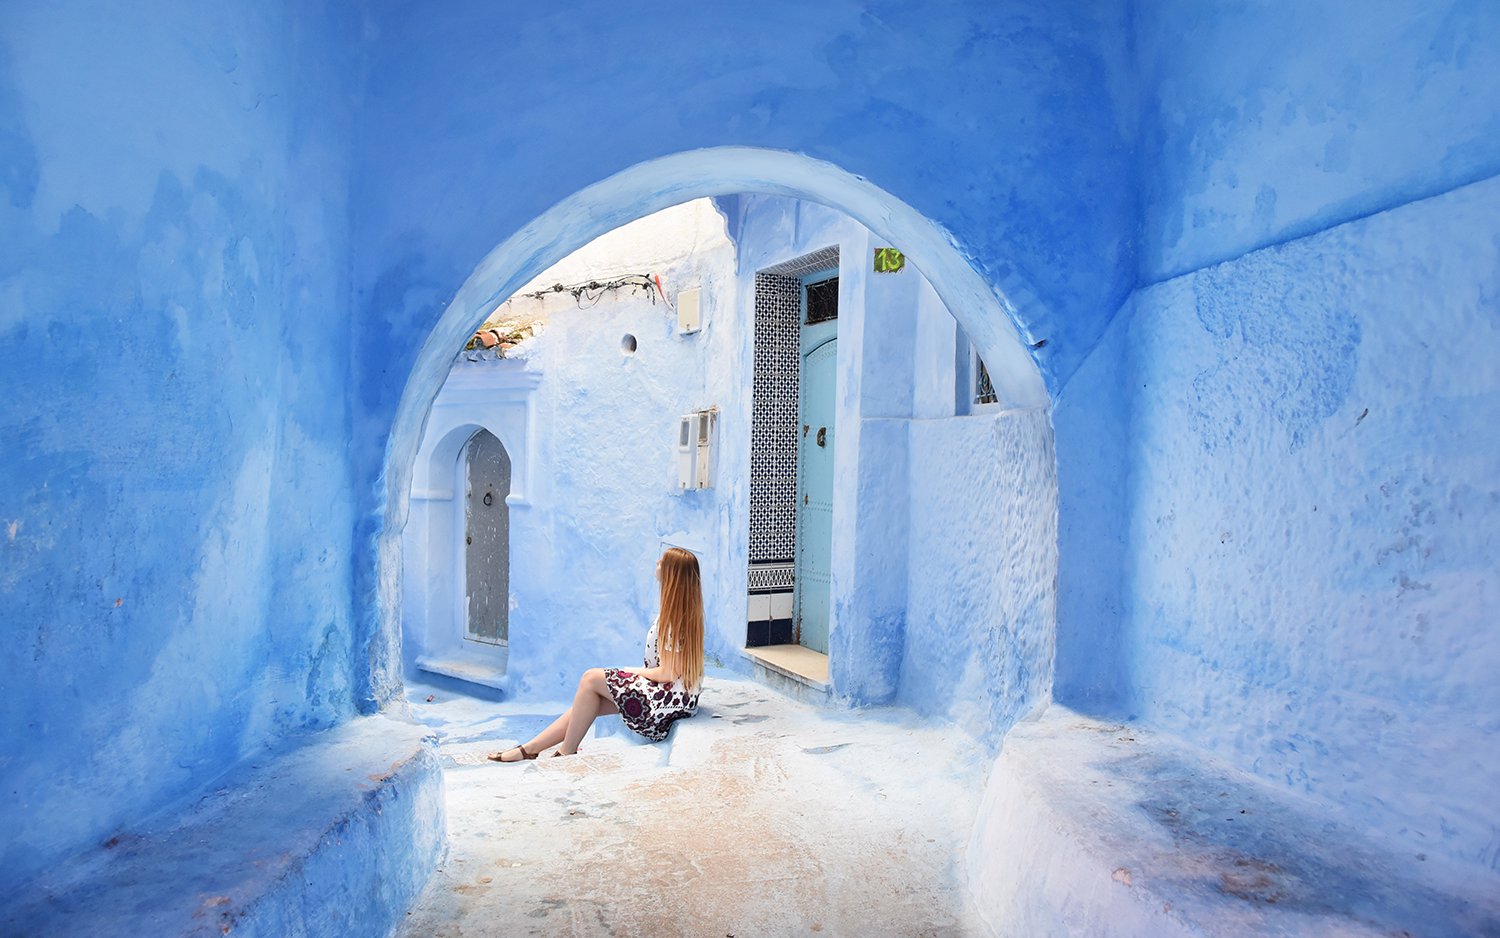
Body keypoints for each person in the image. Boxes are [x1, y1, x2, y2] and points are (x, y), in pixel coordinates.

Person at [488, 546, 705, 761]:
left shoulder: (676, 620)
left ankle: (564, 752)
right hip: (672, 698)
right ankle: (530, 749)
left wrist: (629, 672)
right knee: (590, 701)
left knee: (591, 678)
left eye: (662, 562)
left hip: (667, 704)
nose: (657, 563)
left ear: (671, 574)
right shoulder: (679, 612)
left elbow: (668, 673)